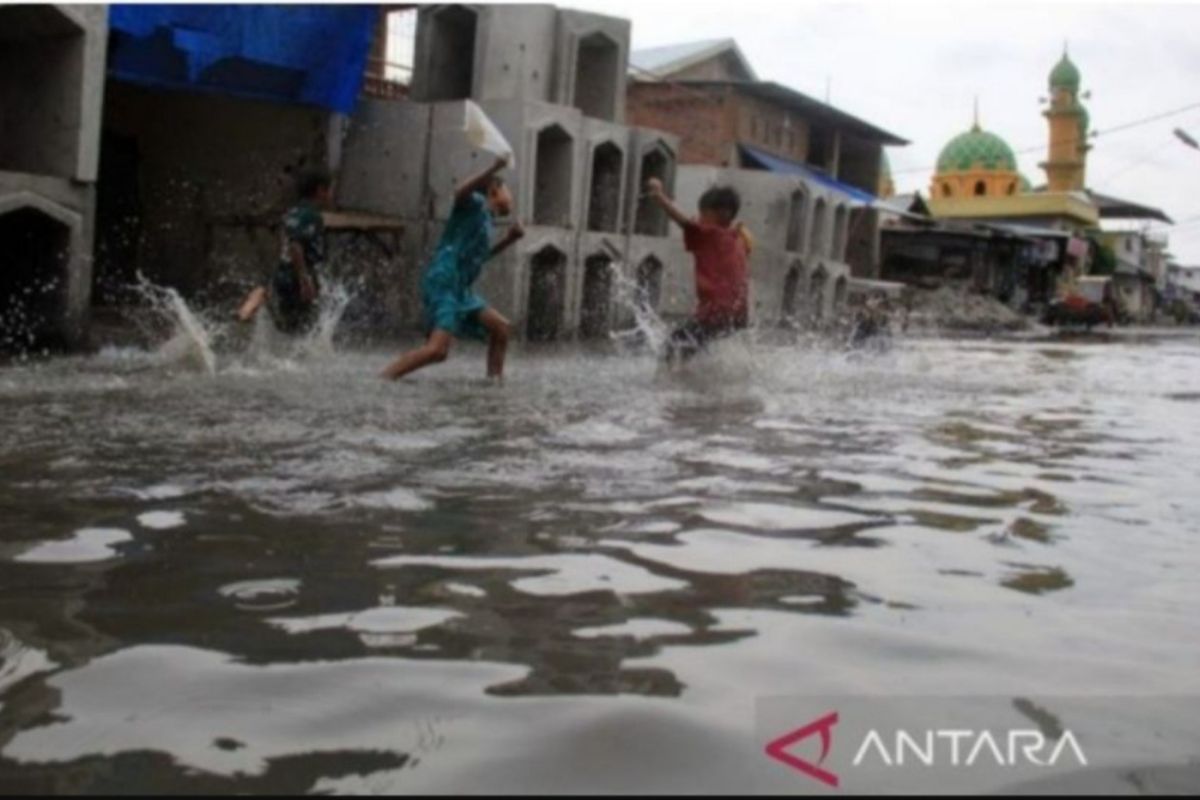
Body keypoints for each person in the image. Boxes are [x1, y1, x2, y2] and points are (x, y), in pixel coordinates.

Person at [381, 155, 524, 382]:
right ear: (494, 191)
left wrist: (509, 240)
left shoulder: (487, 222)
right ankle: (384, 378)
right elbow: (459, 193)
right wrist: (493, 167)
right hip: (444, 281)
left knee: (501, 329)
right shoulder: (474, 203)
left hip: (460, 289)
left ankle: (493, 383)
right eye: (509, 192)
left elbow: (479, 258)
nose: (512, 200)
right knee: (437, 351)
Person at [644, 178, 753, 365]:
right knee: (693, 346)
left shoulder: (712, 234)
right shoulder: (739, 238)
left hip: (715, 313)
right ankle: (700, 385)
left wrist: (659, 197)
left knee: (671, 349)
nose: (700, 218)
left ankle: (672, 387)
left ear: (723, 214)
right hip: (738, 316)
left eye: (703, 213)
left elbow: (684, 223)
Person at [237, 167, 334, 333]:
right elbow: (296, 245)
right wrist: (304, 278)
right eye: (330, 189)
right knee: (301, 330)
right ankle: (261, 296)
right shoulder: (312, 216)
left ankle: (259, 297)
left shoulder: (292, 212)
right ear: (320, 190)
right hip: (297, 276)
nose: (331, 195)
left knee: (284, 323)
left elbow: (287, 240)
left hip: (283, 272)